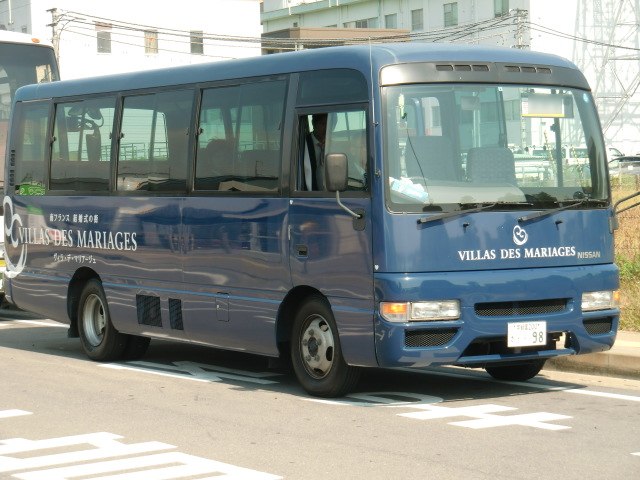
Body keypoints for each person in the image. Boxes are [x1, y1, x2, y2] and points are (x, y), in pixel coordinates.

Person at [302, 113, 327, 190]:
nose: (326, 128)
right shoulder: (303, 144)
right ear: (313, 123)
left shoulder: (333, 143)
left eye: (330, 124)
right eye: (323, 124)